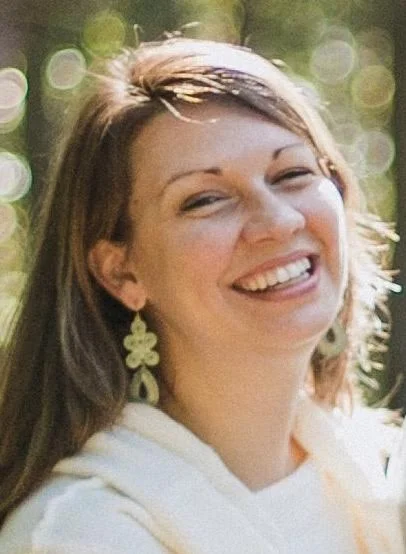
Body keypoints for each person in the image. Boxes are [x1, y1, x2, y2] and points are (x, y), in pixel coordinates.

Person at [0, 37, 404, 553]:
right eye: (206, 200)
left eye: (292, 174)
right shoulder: (81, 534)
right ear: (122, 273)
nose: (279, 221)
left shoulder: (379, 470)